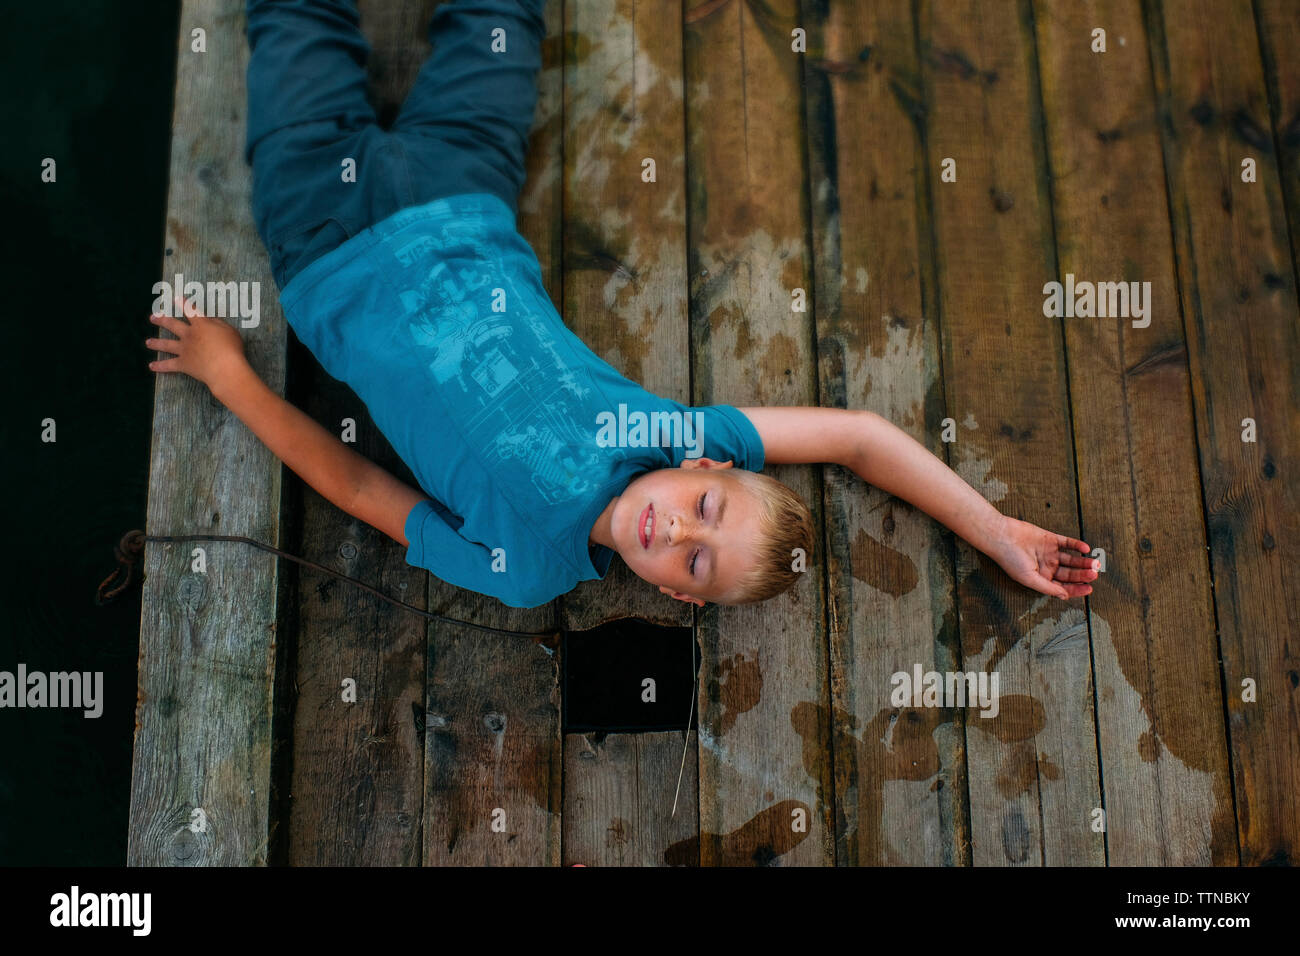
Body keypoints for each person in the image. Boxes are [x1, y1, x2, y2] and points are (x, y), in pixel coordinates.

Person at [145, 0, 1099, 609]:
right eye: (706, 507)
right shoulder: (664, 429)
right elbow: (855, 437)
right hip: (459, 185)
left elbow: (358, 488)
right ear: (706, 462)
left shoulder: (524, 568)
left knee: (291, 21)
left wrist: (231, 379)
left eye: (694, 562)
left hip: (324, 238)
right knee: (502, 17)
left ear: (678, 598)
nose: (678, 531)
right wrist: (997, 530)